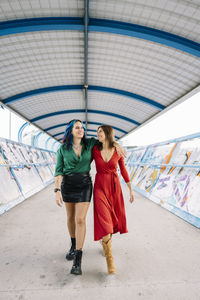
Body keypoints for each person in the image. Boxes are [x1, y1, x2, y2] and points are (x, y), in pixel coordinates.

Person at [54, 119, 125, 276]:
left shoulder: (90, 143)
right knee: (71, 218)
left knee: (80, 219)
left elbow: (107, 140)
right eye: (77, 128)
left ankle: (77, 260)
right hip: (68, 185)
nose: (81, 130)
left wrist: (117, 145)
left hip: (85, 185)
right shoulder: (62, 149)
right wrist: (57, 189)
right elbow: (58, 170)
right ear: (70, 131)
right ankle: (73, 245)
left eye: (82, 127)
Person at [92, 125, 134, 274]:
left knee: (111, 219)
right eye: (97, 132)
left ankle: (106, 243)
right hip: (99, 187)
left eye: (101, 131)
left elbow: (123, 170)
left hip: (114, 188)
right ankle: (110, 260)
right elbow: (84, 161)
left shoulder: (118, 151)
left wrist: (130, 189)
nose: (98, 134)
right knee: (104, 219)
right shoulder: (95, 149)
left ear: (108, 133)